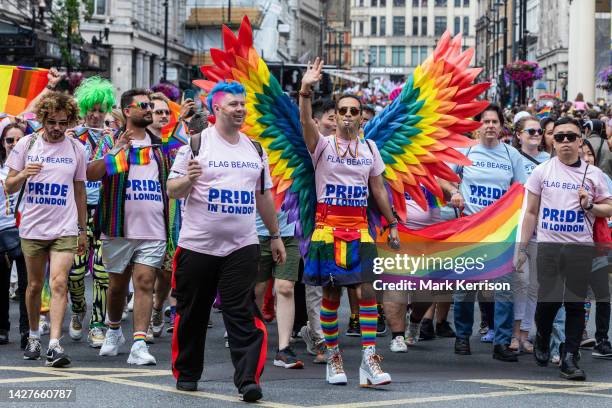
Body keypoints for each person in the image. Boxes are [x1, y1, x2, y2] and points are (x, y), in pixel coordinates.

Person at [167, 81, 286, 402]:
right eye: (234, 104)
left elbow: (264, 196)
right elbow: (172, 190)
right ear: (216, 108)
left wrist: (274, 236)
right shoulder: (193, 145)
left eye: (243, 105)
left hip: (242, 246)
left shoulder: (254, 149)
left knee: (242, 312)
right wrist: (188, 179)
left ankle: (248, 379)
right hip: (196, 246)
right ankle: (188, 373)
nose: (241, 110)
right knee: (193, 312)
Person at [299, 58, 398, 387]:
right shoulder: (322, 145)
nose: (348, 116)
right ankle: (334, 357)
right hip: (327, 229)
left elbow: (379, 189)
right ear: (336, 115)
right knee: (331, 297)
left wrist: (392, 222)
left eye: (354, 111)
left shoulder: (370, 147)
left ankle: (371, 360)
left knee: (366, 291)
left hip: (360, 230)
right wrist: (306, 89)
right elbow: (304, 121)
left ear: (361, 116)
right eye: (343, 110)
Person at [517, 117, 612, 380]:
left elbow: (609, 206)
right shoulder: (542, 171)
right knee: (548, 303)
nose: (566, 142)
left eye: (571, 136)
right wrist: (521, 249)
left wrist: (590, 205)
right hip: (548, 248)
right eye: (560, 137)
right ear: (553, 141)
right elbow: (530, 212)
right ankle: (543, 337)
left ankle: (569, 356)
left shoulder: (594, 175)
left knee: (574, 304)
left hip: (580, 248)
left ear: (581, 140)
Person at [5, 92, 87, 367]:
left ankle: (54, 343)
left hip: (64, 226)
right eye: (52, 122)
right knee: (33, 286)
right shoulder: (27, 145)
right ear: (42, 119)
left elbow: (79, 190)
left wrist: (83, 229)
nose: (57, 128)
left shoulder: (76, 149)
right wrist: (24, 174)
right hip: (33, 226)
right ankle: (33, 337)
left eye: (63, 122)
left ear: (70, 121)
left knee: (59, 283)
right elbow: (9, 186)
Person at [89, 89, 170, 366]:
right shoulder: (110, 140)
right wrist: (115, 152)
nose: (149, 110)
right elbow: (90, 173)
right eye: (144, 106)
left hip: (153, 228)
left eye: (151, 106)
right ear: (127, 111)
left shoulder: (160, 145)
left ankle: (138, 343)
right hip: (117, 227)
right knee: (117, 287)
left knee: (145, 282)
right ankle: (113, 330)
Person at [450, 104, 527, 362]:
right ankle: (462, 337)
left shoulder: (511, 155)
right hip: (469, 231)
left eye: (495, 121)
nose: (490, 126)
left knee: (503, 290)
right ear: (477, 125)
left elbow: (522, 190)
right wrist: (454, 193)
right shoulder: (465, 151)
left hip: (501, 233)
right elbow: (442, 178)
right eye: (486, 121)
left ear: (501, 126)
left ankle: (502, 343)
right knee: (465, 289)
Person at [67, 76, 116, 348]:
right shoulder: (72, 138)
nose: (96, 115)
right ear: (84, 109)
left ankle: (98, 323)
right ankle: (78, 308)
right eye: (92, 110)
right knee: (74, 272)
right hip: (76, 211)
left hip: (105, 211)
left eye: (101, 110)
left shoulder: (113, 140)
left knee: (101, 270)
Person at [510, 115, 550, 353]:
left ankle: (525, 334)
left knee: (534, 285)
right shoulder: (513, 157)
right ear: (519, 135)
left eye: (539, 131)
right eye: (530, 131)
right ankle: (514, 333)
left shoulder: (549, 160)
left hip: (541, 230)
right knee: (521, 282)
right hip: (518, 229)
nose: (536, 135)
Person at [0, 123, 29, 349]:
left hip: (27, 230)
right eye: (10, 140)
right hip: (1, 231)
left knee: (28, 285)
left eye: (20, 139)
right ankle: (2, 328)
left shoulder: (34, 167)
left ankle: (27, 332)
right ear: (3, 143)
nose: (15, 144)